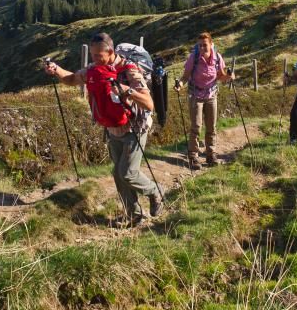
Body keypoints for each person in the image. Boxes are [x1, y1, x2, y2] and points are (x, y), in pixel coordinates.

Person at [43, 32, 163, 223]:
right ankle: (133, 215)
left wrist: (127, 90)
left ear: (111, 52)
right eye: (93, 55)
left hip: (134, 127)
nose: (95, 60)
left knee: (128, 173)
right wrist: (56, 70)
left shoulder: (129, 70)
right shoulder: (94, 69)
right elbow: (72, 79)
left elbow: (149, 103)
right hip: (112, 127)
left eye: (99, 56)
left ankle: (156, 192)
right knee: (118, 173)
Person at [174, 32, 234, 169]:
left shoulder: (217, 57)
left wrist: (229, 76)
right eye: (199, 45)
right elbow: (185, 77)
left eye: (204, 45)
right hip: (195, 95)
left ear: (211, 44)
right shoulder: (194, 57)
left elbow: (221, 76)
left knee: (211, 127)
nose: (201, 48)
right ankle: (193, 156)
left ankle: (210, 154)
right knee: (196, 127)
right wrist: (180, 85)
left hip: (211, 95)